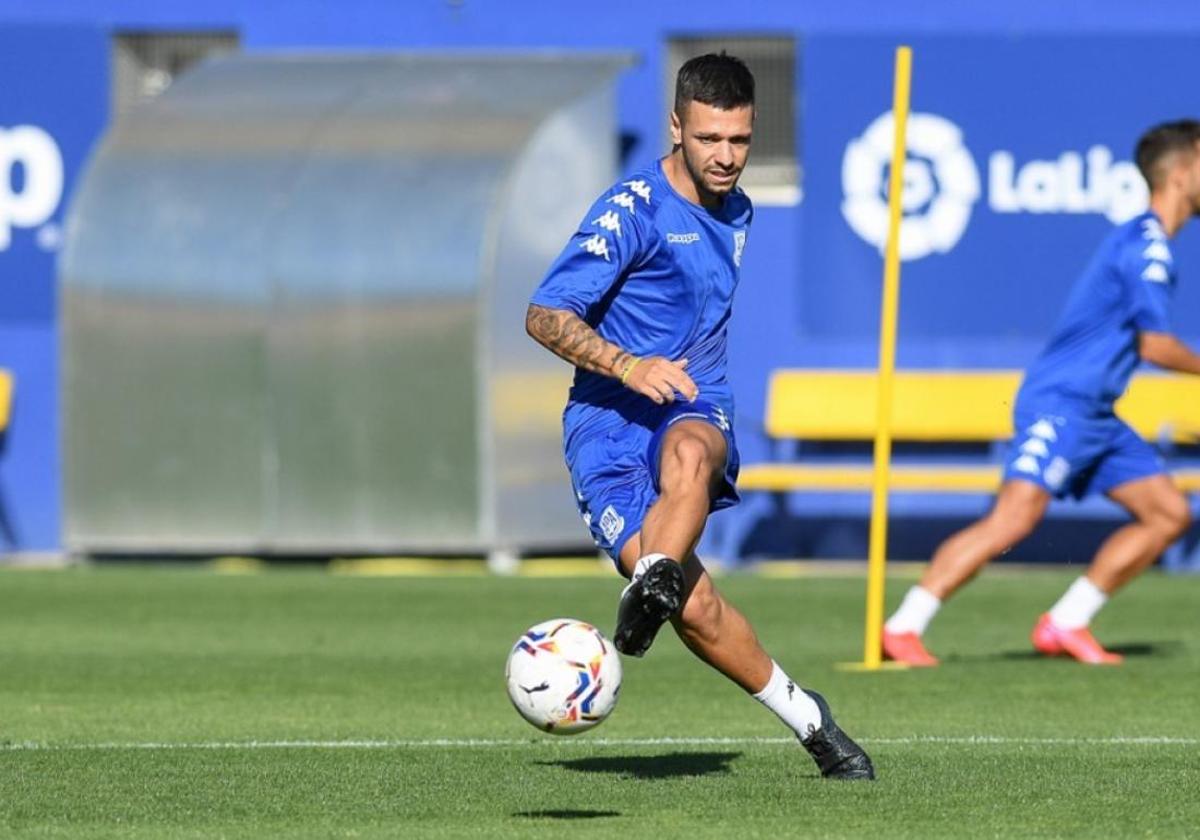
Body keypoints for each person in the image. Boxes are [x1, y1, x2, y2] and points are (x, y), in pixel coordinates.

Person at [525, 53, 873, 780]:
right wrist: (627, 365)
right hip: (604, 429)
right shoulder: (633, 211)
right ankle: (812, 720)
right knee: (698, 609)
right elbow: (544, 314)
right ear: (676, 126)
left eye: (740, 141)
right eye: (709, 138)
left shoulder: (736, 209)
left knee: (690, 453)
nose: (725, 157)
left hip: (692, 402)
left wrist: (667, 375)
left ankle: (650, 576)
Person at [883, 119, 1200, 667]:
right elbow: (1155, 346)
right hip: (1062, 404)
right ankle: (904, 625)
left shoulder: (1148, 243)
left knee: (1168, 514)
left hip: (1096, 415)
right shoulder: (1147, 247)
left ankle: (1066, 622)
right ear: (1184, 168)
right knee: (1013, 519)